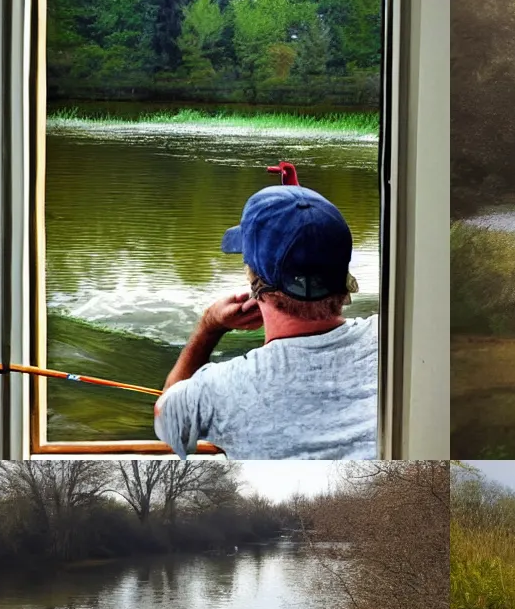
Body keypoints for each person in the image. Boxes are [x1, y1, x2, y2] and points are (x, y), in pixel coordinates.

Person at [153, 182, 378, 459]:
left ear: (255, 282)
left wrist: (210, 326)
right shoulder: (397, 340)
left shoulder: (218, 390)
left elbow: (168, 420)